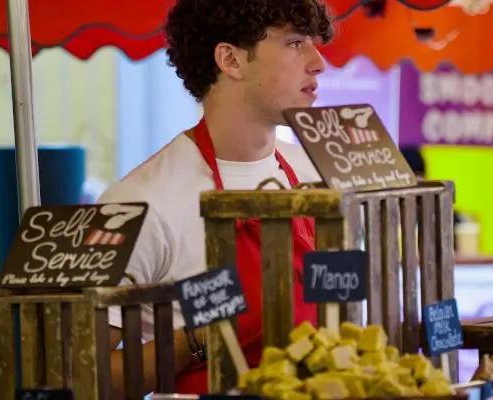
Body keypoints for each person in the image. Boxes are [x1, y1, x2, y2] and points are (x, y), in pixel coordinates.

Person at [95, 0, 333, 395]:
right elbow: (84, 377)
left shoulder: (319, 174)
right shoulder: (135, 205)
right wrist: (200, 337)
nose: (318, 62)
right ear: (231, 60)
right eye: (294, 43)